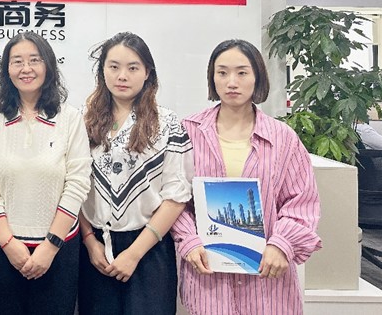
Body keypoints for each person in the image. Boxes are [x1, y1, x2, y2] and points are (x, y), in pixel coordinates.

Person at [170, 39, 322, 315]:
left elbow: (301, 202)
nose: (231, 82)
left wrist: (282, 244)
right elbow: (173, 196)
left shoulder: (283, 138)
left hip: (267, 279)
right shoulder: (188, 131)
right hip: (209, 277)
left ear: (257, 77)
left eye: (242, 72)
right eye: (222, 72)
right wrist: (188, 240)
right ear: (212, 77)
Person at [78, 32, 194, 315]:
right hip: (95, 250)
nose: (122, 76)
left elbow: (177, 195)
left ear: (147, 73)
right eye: (114, 66)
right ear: (102, 70)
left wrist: (134, 253)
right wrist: (89, 241)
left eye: (133, 68)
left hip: (149, 249)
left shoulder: (167, 123)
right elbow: (73, 186)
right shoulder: (82, 119)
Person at [0, 32, 91, 315]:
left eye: (34, 60)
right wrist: (8, 242)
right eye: (17, 61)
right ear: (7, 70)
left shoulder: (70, 118)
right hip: (5, 249)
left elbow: (77, 183)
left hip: (58, 250)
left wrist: (50, 246)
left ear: (48, 66)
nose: (26, 69)